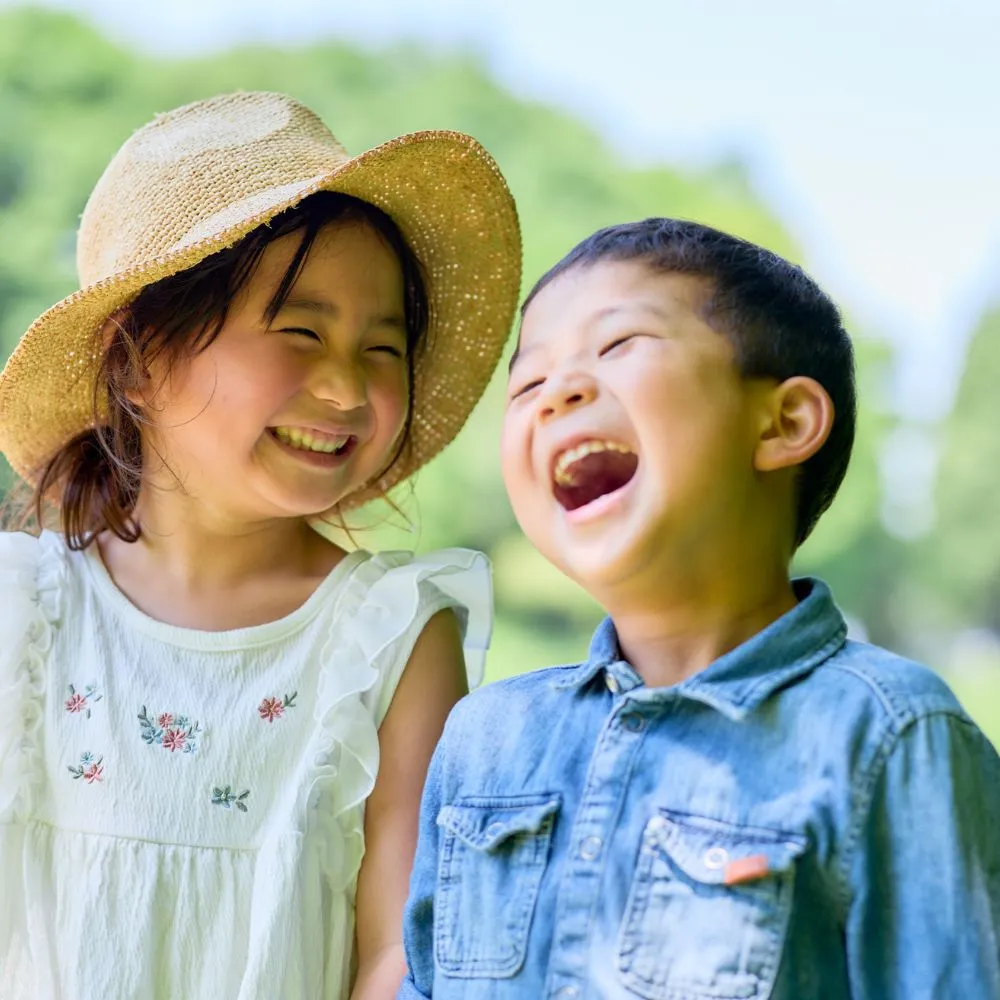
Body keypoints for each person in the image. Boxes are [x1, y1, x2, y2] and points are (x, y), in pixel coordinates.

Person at [0, 91, 520, 1000]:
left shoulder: (390, 640)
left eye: (383, 348)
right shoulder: (26, 613)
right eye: (301, 332)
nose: (347, 388)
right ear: (138, 360)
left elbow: (399, 952)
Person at [399, 218, 1000, 999]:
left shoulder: (891, 736)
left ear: (784, 422)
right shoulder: (485, 739)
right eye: (527, 385)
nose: (559, 395)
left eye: (617, 347)